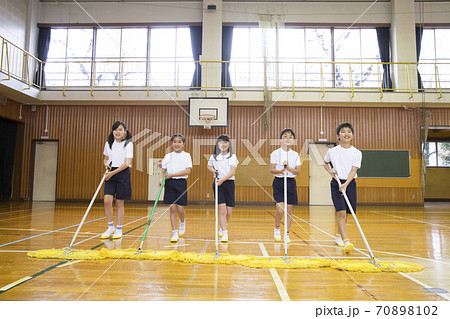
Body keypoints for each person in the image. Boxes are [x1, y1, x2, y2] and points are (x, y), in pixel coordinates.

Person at [323, 122, 362, 252]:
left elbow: (353, 170)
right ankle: (346, 241)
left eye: (349, 131)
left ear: (353, 135)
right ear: (338, 135)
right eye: (343, 131)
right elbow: (325, 163)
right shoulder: (332, 151)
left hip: (349, 183)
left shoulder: (356, 152)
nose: (346, 134)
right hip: (336, 184)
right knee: (341, 212)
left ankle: (339, 235)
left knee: (346, 214)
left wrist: (346, 184)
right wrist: (331, 172)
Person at [101, 121, 133, 239]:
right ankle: (110, 227)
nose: (117, 132)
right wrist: (106, 165)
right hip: (111, 172)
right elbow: (106, 158)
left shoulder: (128, 144)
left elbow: (127, 163)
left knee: (119, 202)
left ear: (125, 132)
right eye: (115, 129)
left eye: (120, 129)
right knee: (107, 201)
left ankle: (119, 228)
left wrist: (112, 173)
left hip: (122, 173)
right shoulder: (108, 144)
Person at [269, 128, 301, 243]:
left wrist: (289, 168)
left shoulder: (295, 154)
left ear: (293, 140)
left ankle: (286, 234)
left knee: (289, 210)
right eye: (285, 137)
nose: (288, 139)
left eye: (291, 137)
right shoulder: (275, 153)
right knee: (280, 210)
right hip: (279, 182)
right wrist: (281, 171)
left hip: (291, 182)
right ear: (280, 139)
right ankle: (277, 227)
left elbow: (298, 171)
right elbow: (272, 170)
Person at [160, 134, 192, 243]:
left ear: (183, 144)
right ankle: (174, 232)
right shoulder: (168, 156)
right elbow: (163, 171)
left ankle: (182, 222)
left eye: (179, 142)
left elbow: (187, 171)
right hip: (170, 183)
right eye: (175, 142)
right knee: (172, 208)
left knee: (180, 209)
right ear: (171, 143)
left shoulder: (186, 155)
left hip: (181, 183)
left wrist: (172, 175)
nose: (177, 144)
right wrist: (161, 180)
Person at [207, 134, 238, 243]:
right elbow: (209, 166)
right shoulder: (214, 156)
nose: (223, 144)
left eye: (225, 142)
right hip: (218, 184)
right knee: (222, 209)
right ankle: (224, 232)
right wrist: (213, 171)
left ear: (229, 144)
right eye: (221, 142)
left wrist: (222, 180)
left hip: (228, 183)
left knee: (229, 211)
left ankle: (223, 225)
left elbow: (232, 172)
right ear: (217, 144)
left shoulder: (232, 156)